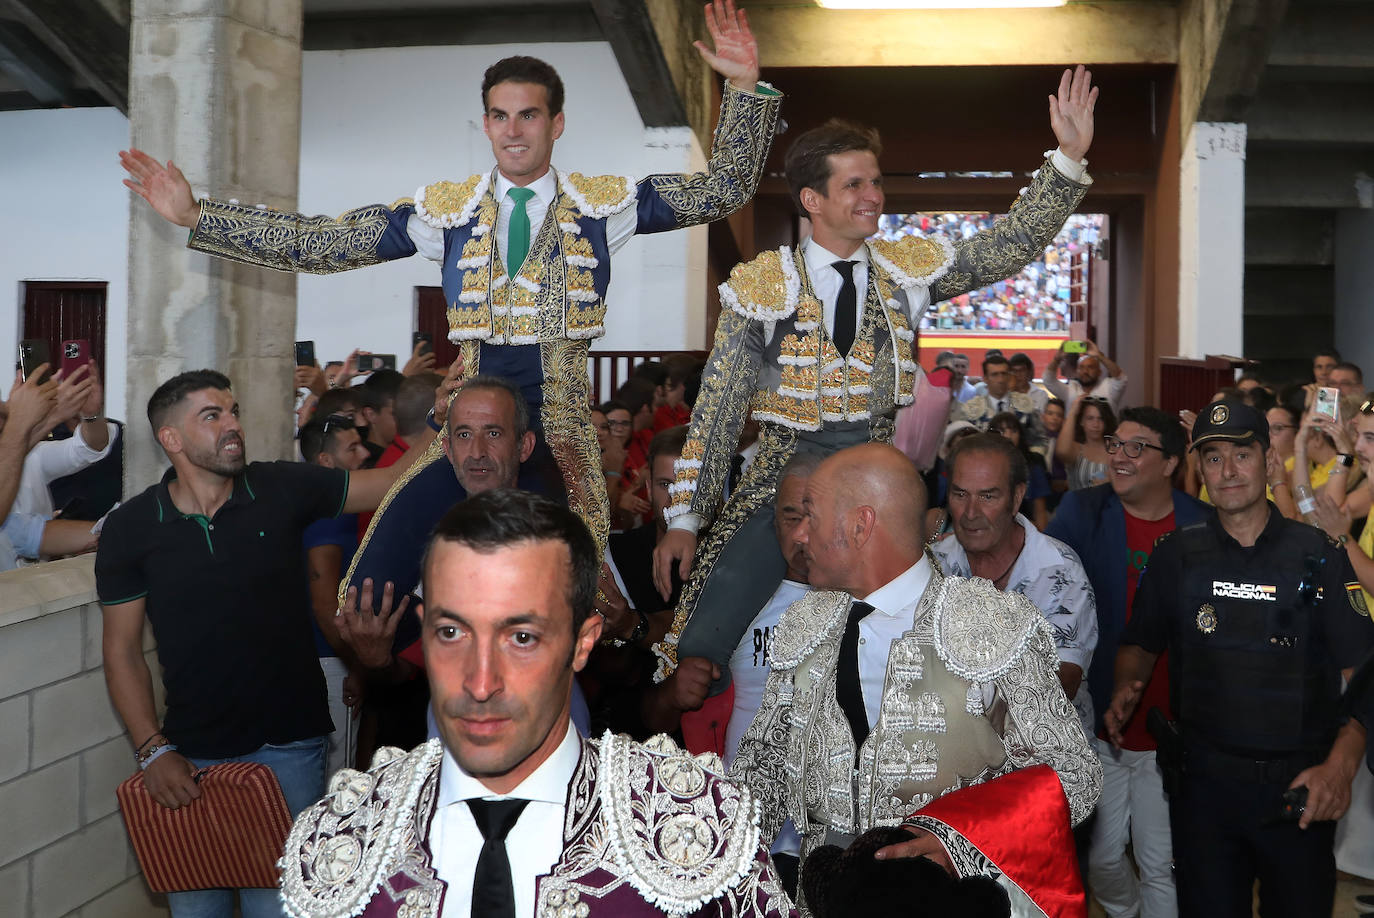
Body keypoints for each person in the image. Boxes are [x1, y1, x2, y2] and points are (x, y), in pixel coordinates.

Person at [118, 1, 781, 568]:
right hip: (464, 422)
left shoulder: (605, 205)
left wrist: (746, 89)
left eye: (528, 115)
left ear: (556, 123)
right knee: (373, 572)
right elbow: (325, 243)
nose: (512, 131)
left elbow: (723, 189)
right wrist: (200, 217)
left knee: (583, 581)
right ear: (485, 123)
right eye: (499, 116)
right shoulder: (446, 212)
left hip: (559, 434)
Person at [653, 66, 1101, 683]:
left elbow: (1007, 245)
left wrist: (1068, 158)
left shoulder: (906, 270)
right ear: (812, 200)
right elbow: (719, 411)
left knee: (928, 644)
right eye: (854, 184)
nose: (873, 196)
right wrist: (684, 521)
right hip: (782, 476)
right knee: (699, 649)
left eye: (876, 181)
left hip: (878, 477)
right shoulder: (762, 285)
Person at [278, 489, 797, 918]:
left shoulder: (700, 829)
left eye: (521, 637)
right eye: (451, 632)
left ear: (582, 644)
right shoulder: (342, 840)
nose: (480, 684)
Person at [96, 369, 431, 918]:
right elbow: (122, 650)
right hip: (189, 755)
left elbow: (392, 482)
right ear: (171, 438)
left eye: (233, 412)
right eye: (212, 416)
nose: (233, 426)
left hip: (289, 748)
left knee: (280, 908)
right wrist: (152, 749)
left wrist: (447, 421)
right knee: (196, 910)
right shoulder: (133, 528)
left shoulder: (280, 486)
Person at [729, 443, 1102, 906]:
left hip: (946, 902)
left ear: (860, 526)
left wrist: (959, 842)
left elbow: (1073, 775)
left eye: (812, 516)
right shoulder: (805, 622)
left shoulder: (991, 623)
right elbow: (763, 764)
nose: (800, 534)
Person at [1106, 399, 1374, 917]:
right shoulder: (1176, 555)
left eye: (1242, 455)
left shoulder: (1317, 554)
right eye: (1212, 458)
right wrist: (1127, 683)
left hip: (1298, 792)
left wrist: (1340, 767)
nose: (1227, 472)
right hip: (1203, 794)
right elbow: (1141, 641)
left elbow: (1363, 674)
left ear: (1269, 461)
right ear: (1197, 467)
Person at [1045, 406, 1208, 918]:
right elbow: (1053, 604)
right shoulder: (1081, 511)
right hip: (1101, 724)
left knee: (1161, 860)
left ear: (1169, 464)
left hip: (1172, 723)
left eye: (1136, 448)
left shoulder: (1201, 523)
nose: (1118, 455)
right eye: (1115, 444)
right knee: (1103, 854)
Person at [930, 433, 1097, 735]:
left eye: (988, 496)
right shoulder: (933, 563)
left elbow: (1065, 680)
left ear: (1017, 497)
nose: (970, 513)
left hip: (1046, 762)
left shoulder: (1059, 568)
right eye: (960, 494)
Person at [298, 413, 371, 776]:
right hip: (330, 663)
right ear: (326, 461)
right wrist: (354, 665)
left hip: (322, 661)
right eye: (352, 448)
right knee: (338, 779)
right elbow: (325, 605)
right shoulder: (328, 514)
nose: (364, 455)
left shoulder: (326, 506)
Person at [956, 354, 1045, 447]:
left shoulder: (1026, 405)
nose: (1001, 379)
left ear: (1009, 376)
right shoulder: (971, 410)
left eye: (1004, 374)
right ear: (985, 379)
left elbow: (1039, 440)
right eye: (995, 375)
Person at [1044, 340, 1127, 413]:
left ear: (1099, 372)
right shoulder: (1071, 390)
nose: (1085, 371)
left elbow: (1120, 378)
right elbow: (1048, 381)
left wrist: (1099, 356)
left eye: (1090, 367)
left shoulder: (1108, 388)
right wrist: (1056, 359)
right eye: (1081, 367)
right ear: (1076, 372)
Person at [1056, 395, 1114, 491]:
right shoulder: (1076, 449)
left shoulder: (1115, 449)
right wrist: (1073, 411)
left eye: (1101, 419)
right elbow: (1062, 452)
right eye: (1090, 418)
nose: (1096, 424)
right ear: (1081, 421)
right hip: (1078, 504)